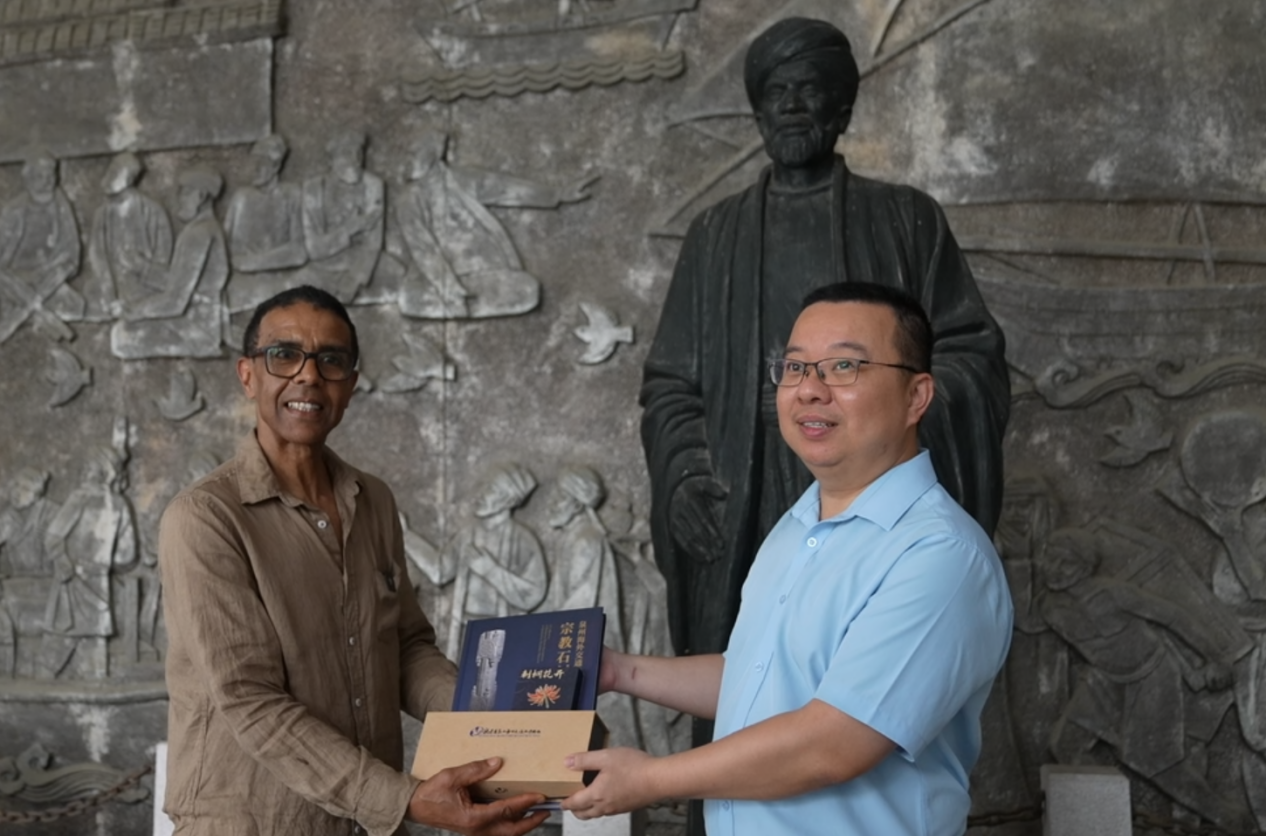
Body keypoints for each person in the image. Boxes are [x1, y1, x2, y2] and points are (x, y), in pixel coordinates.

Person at [639, 19, 1009, 705]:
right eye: (774, 92)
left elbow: (969, 352)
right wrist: (687, 474)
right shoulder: (714, 235)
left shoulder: (904, 218)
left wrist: (876, 419)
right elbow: (670, 383)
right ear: (757, 110)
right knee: (745, 670)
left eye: (808, 89)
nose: (790, 106)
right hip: (743, 485)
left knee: (865, 677)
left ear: (842, 106)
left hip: (869, 483)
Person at [564, 282, 1013, 836]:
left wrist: (653, 779)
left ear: (916, 397)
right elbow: (755, 679)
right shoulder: (797, 528)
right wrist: (619, 671)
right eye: (796, 368)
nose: (809, 390)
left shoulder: (940, 555)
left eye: (844, 366)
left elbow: (834, 744)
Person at [158, 285, 548, 836]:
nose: (308, 376)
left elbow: (406, 649)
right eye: (284, 355)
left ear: (351, 385)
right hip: (255, 822)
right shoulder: (205, 517)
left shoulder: (373, 501)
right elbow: (250, 699)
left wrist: (499, 725)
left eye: (331, 361)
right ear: (248, 375)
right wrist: (404, 799)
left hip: (367, 825)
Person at [111, 166, 229, 359]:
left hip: (197, 330)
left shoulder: (199, 234)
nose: (179, 198)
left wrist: (133, 310)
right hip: (195, 323)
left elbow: (175, 301)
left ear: (200, 196)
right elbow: (178, 282)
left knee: (121, 337)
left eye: (185, 192)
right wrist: (142, 267)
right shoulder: (200, 229)